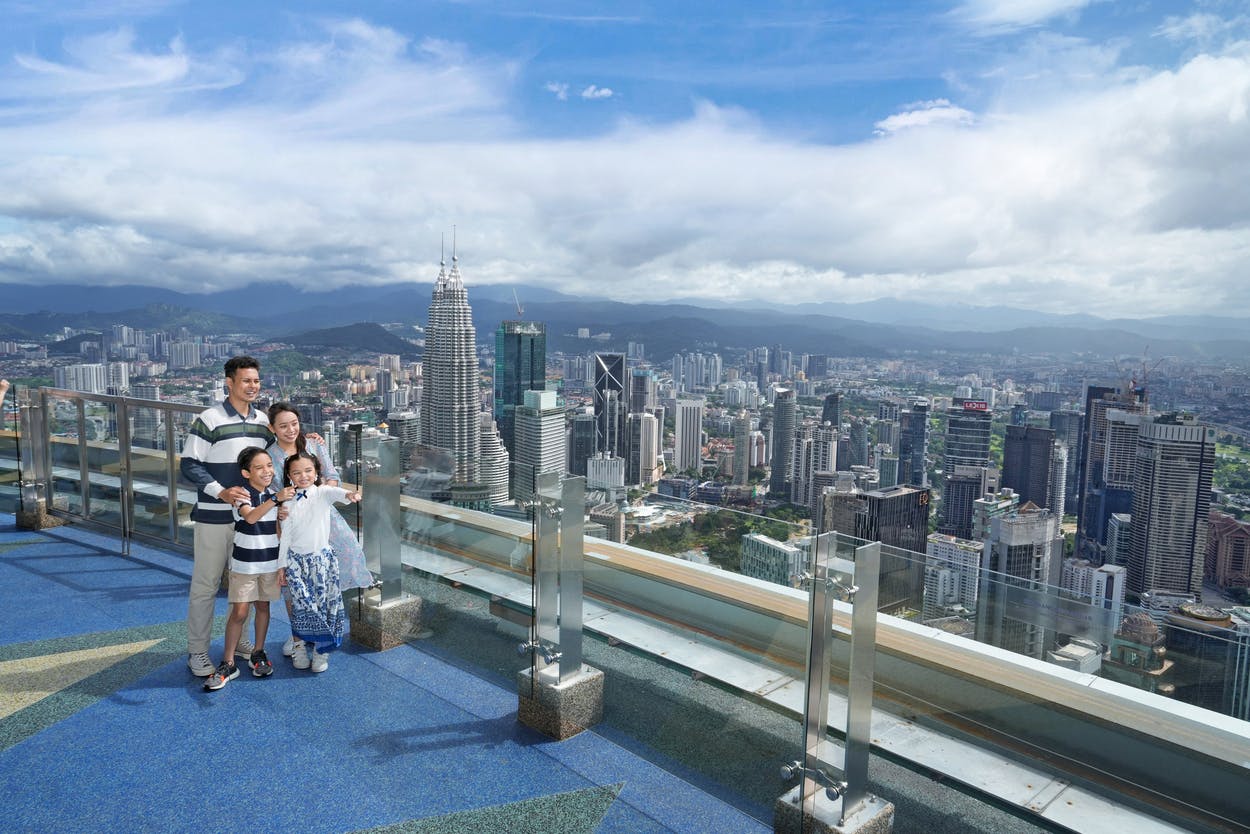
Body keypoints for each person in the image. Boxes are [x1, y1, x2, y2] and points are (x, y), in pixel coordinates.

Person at [181, 356, 273, 677]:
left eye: (256, 381)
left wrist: (309, 443)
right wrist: (221, 491)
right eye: (245, 381)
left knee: (244, 588)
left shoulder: (263, 421)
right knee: (205, 586)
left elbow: (276, 458)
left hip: (248, 522)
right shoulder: (210, 419)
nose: (252, 386)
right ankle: (197, 651)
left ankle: (243, 642)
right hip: (213, 517)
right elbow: (189, 464)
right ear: (229, 383)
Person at [266, 402, 373, 665]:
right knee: (295, 587)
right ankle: (299, 635)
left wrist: (321, 491)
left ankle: (320, 638)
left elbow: (332, 476)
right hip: (291, 524)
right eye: (283, 426)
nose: (290, 430)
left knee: (326, 583)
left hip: (323, 521)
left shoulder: (314, 445)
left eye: (294, 424)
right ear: (272, 428)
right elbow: (271, 493)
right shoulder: (269, 456)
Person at [204, 448, 295, 691]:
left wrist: (282, 562)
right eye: (259, 467)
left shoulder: (275, 496)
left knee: (264, 607)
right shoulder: (241, 495)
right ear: (246, 472)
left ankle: (258, 652)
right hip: (245, 564)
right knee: (240, 612)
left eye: (269, 465)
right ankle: (228, 661)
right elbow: (251, 517)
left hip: (269, 563)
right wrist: (275, 500)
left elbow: (277, 530)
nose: (266, 471)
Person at [278, 451, 361, 672]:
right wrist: (281, 565)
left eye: (308, 470)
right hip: (295, 562)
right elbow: (284, 535)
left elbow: (338, 492)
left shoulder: (322, 492)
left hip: (322, 561)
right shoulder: (287, 501)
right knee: (301, 607)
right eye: (297, 472)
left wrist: (350, 495)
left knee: (324, 607)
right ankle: (299, 646)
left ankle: (320, 652)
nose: (303, 476)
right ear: (289, 475)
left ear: (316, 473)